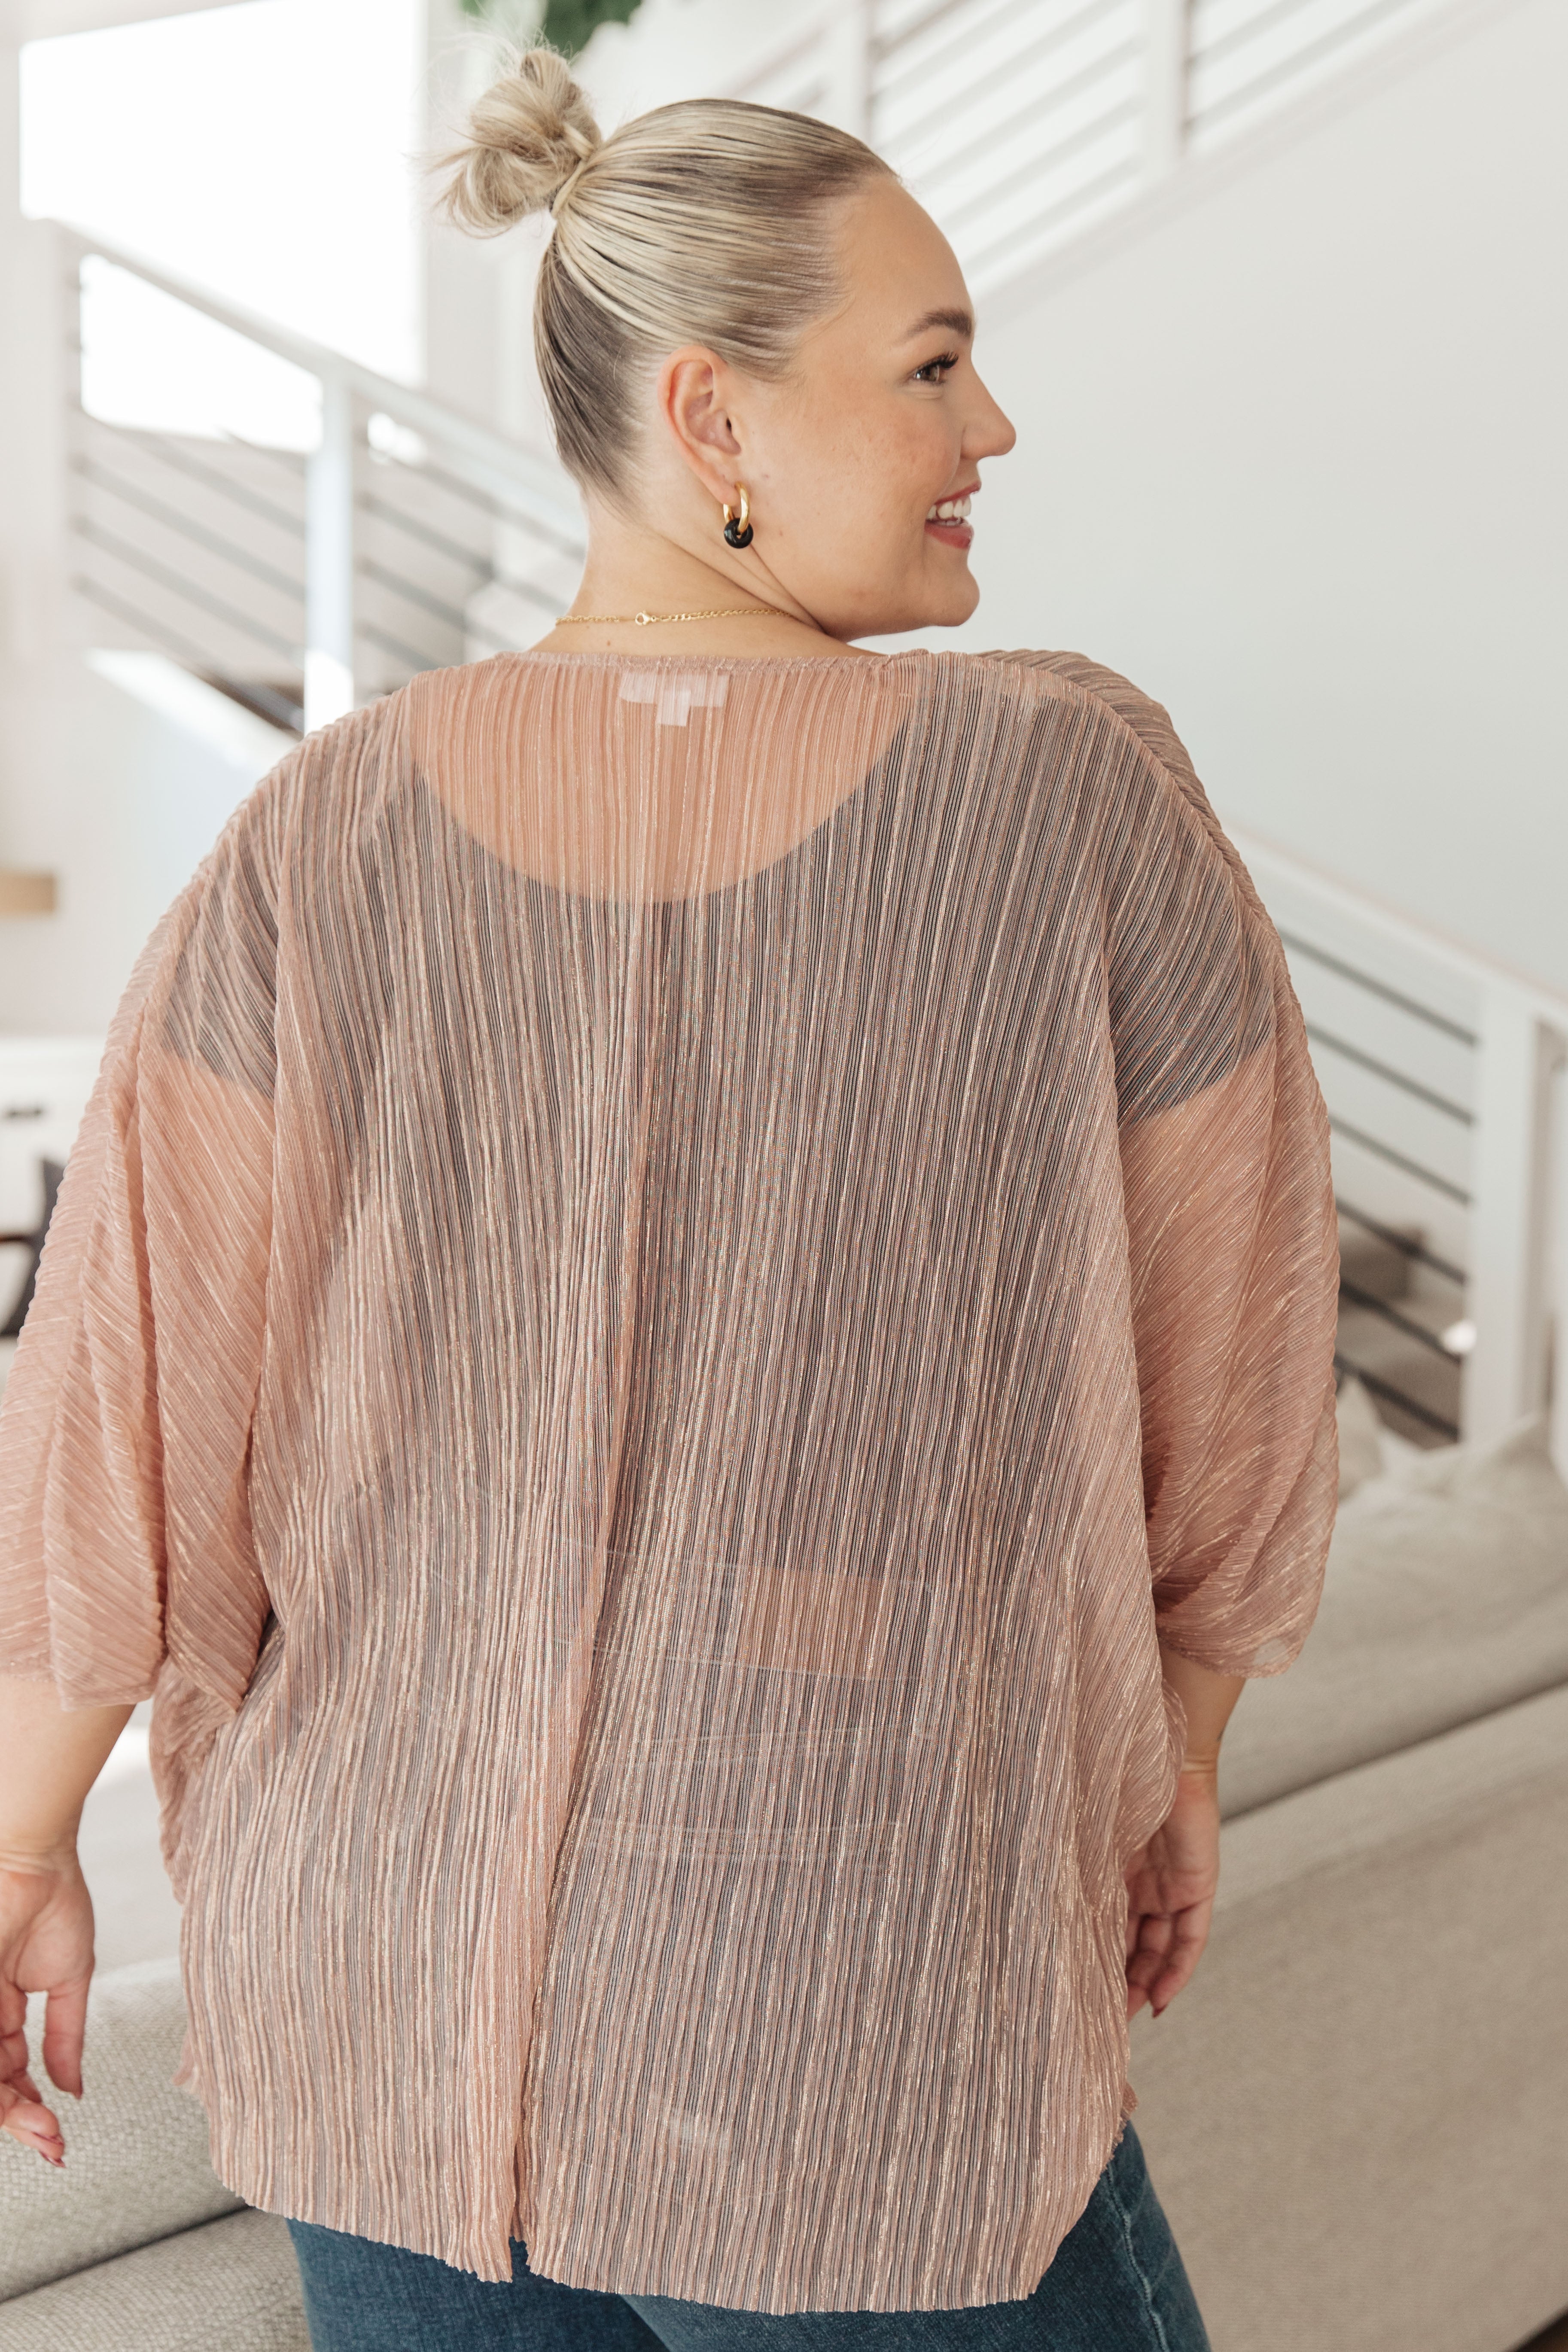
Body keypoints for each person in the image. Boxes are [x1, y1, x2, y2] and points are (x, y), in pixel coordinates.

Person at [0, 47, 1339, 2352]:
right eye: (932, 366)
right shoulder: (1063, 785)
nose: (992, 427)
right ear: (712, 413)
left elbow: (116, 1415)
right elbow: (1239, 1358)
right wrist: (1181, 1756)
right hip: (848, 1993)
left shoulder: (322, 826)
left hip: (372, 1981)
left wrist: (27, 1842)